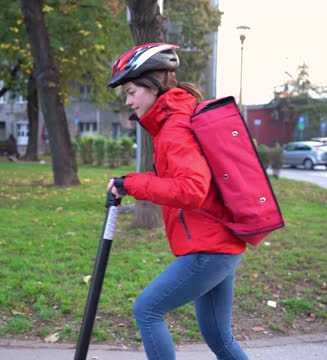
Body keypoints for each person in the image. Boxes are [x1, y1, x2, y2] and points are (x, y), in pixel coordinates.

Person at [106, 43, 249, 360]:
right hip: (221, 243)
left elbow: (191, 189)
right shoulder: (176, 119)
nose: (129, 101)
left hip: (210, 248)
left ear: (153, 84)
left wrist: (131, 183)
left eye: (131, 91)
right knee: (218, 337)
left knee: (147, 310)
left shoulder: (174, 127)